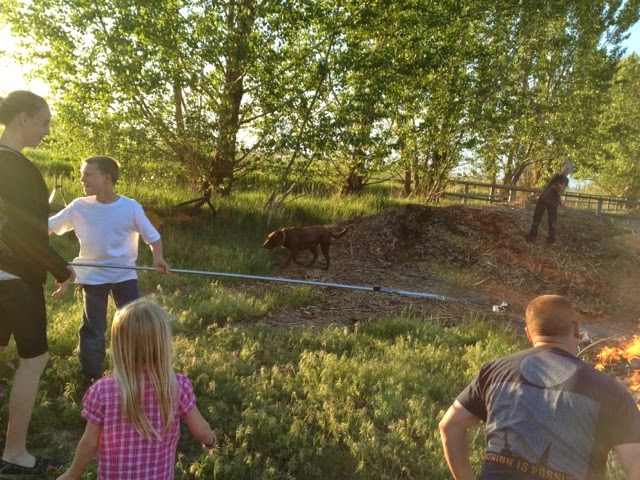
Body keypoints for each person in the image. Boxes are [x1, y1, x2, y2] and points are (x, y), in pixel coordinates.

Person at [439, 294, 640, 480]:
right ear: (576, 330)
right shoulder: (610, 391)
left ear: (528, 333)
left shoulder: (494, 371)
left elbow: (450, 425)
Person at [56, 297, 217, 480]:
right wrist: (210, 440)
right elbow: (200, 430)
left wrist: (72, 474)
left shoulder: (102, 391)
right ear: (162, 344)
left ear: (119, 345)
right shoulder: (176, 385)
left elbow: (90, 443)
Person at [0, 91, 75, 475]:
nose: (46, 130)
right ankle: (14, 453)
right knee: (34, 359)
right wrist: (63, 270)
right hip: (13, 279)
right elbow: (29, 236)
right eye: (44, 122)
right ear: (23, 118)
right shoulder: (19, 168)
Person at [48, 155, 170, 385]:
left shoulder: (130, 207)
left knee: (133, 325)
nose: (82, 179)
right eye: (82, 174)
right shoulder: (79, 206)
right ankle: (92, 378)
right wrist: (32, 247)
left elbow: (152, 237)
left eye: (88, 174)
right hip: (93, 276)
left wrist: (158, 257)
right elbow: (48, 227)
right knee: (93, 327)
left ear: (106, 178)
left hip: (124, 275)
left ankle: (133, 372)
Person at [526, 160, 574, 244]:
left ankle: (550, 238)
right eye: (567, 167)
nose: (568, 169)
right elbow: (552, 186)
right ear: (563, 167)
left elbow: (560, 189)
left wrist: (559, 197)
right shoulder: (558, 176)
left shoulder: (565, 180)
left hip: (552, 201)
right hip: (545, 198)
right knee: (538, 217)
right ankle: (532, 236)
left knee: (552, 220)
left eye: (569, 168)